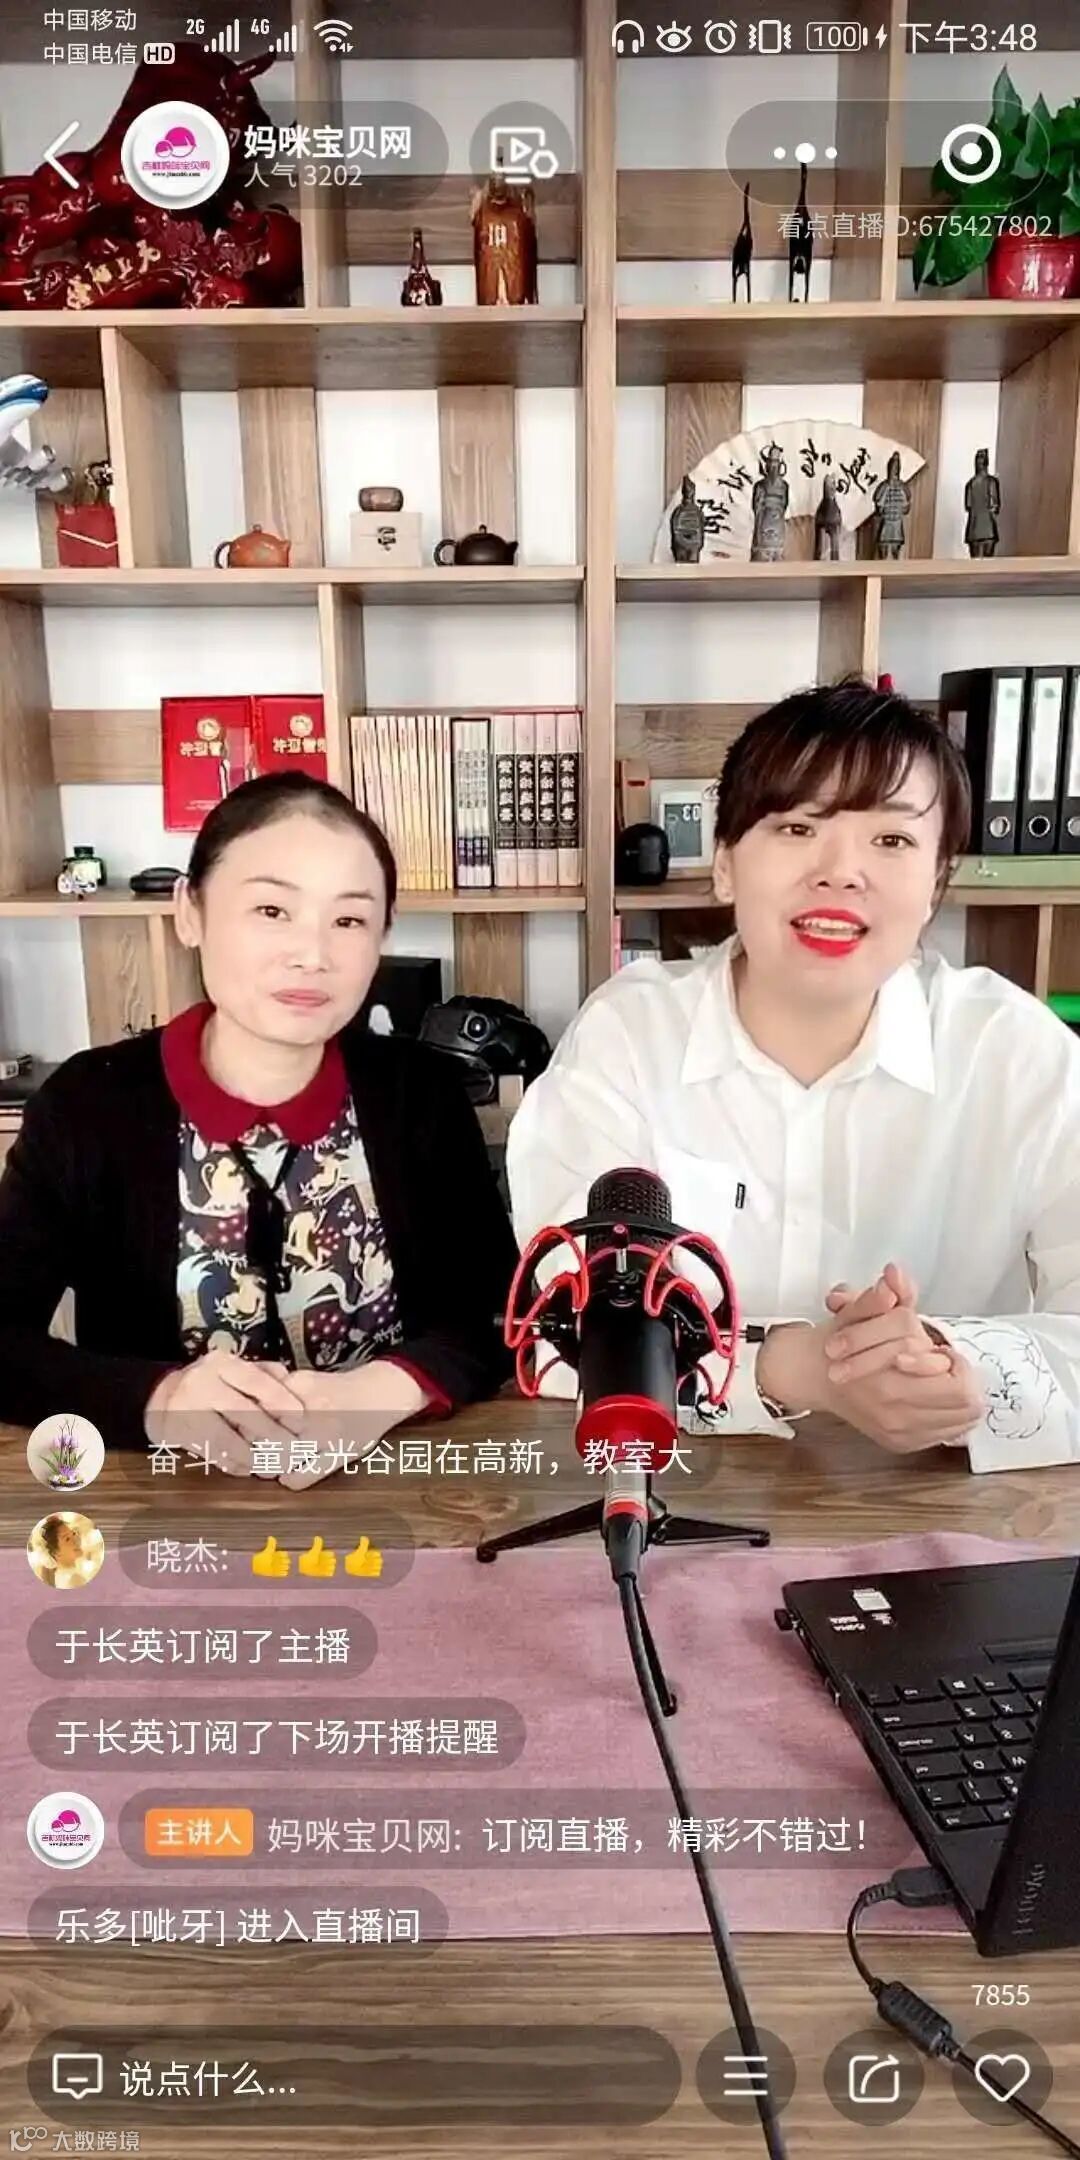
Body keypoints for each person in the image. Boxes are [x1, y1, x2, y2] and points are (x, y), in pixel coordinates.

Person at [507, 679, 1080, 1474]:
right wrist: (787, 1369)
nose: (841, 873)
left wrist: (958, 1367)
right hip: (678, 1487)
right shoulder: (628, 1037)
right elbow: (559, 1336)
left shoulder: (1017, 1051)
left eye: (892, 840)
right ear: (725, 864)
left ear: (938, 882)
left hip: (938, 1498)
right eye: (799, 827)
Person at [0, 774, 518, 1486]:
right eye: (272, 910)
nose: (312, 954)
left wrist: (381, 1393)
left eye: (349, 920)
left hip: (398, 1490)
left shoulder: (419, 1094)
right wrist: (159, 1400)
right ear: (190, 911)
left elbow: (498, 1316)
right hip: (166, 1501)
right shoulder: (88, 1105)